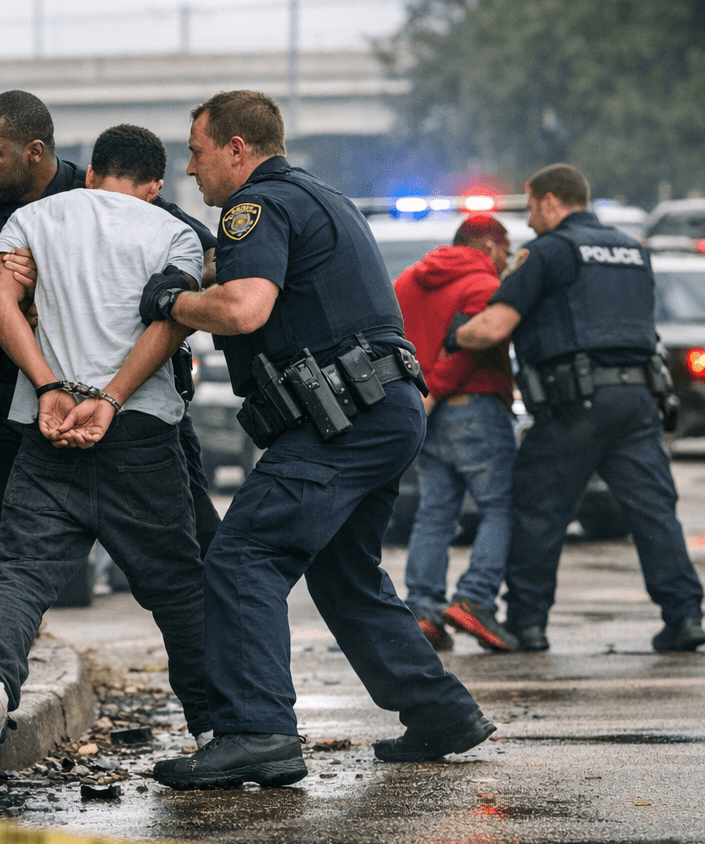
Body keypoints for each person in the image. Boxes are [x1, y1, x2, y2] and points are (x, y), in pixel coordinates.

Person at [141, 90, 494, 790]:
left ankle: (256, 731)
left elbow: (245, 309)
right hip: (381, 410)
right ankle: (441, 713)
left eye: (196, 151)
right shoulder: (319, 196)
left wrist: (171, 301)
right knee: (345, 575)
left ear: (236, 149)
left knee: (243, 556)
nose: (190, 169)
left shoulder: (255, 206)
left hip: (347, 420)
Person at [0, 91, 220, 745]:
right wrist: (36, 326)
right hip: (30, 413)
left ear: (36, 151)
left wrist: (59, 321)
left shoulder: (70, 205)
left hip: (68, 411)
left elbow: (206, 257)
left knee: (35, 569)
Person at [446, 163, 705, 653]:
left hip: (574, 405)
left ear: (550, 201)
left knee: (538, 509)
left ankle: (528, 623)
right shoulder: (634, 251)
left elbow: (494, 327)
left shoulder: (547, 253)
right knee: (654, 513)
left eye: (530, 206)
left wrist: (453, 334)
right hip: (638, 401)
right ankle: (685, 616)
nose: (528, 219)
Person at [394, 215, 520, 653]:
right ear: (488, 247)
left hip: (423, 412)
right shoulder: (483, 285)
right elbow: (471, 348)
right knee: (500, 505)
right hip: (474, 406)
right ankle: (475, 598)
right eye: (504, 251)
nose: (505, 262)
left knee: (435, 512)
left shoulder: (408, 280)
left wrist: (420, 396)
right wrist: (438, 390)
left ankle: (424, 609)